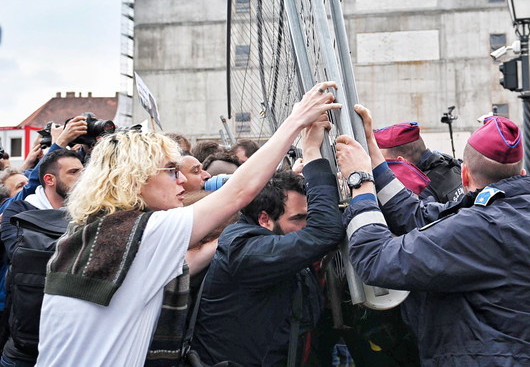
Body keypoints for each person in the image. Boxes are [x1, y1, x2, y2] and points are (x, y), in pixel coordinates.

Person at [34, 82, 341, 367]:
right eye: (170, 170)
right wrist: (297, 122)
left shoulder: (96, 232)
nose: (181, 179)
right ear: (132, 181)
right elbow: (240, 192)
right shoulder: (144, 233)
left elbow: (188, 262)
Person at [337, 110, 530, 366]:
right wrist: (373, 154)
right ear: (522, 173)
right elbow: (419, 216)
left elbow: (376, 260)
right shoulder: (527, 207)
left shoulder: (483, 227)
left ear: (465, 174)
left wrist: (360, 183)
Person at [190, 122, 344, 366]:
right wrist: (312, 153)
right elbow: (324, 233)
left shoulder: (267, 237)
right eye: (299, 218)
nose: (306, 225)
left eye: (309, 216)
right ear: (264, 219)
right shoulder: (246, 251)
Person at [0, 149, 83, 367]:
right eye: (74, 172)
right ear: (49, 179)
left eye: (84, 171)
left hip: (72, 342)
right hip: (24, 344)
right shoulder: (20, 208)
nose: (83, 178)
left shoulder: (89, 212)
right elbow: (23, 256)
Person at [373, 122, 464, 203]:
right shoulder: (450, 163)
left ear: (401, 161)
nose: (379, 165)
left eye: (383, 160)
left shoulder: (419, 193)